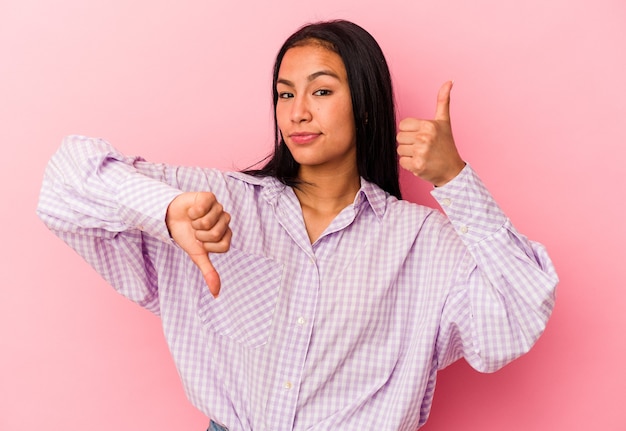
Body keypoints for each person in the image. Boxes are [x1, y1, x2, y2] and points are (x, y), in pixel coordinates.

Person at [37, 19, 557, 431]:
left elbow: (511, 322)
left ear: (367, 107)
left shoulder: (421, 242)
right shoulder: (217, 203)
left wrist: (455, 180)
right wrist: (166, 213)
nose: (298, 112)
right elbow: (64, 180)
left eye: (322, 91)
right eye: (286, 94)